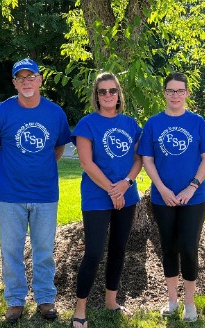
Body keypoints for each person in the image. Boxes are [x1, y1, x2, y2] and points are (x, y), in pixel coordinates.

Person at [0, 58, 71, 324]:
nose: (26, 82)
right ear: (14, 83)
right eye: (20, 78)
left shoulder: (55, 113)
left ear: (40, 79)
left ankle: (45, 298)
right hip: (10, 195)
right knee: (11, 250)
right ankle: (15, 300)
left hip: (45, 194)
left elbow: (58, 147)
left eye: (31, 76)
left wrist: (40, 168)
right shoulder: (1, 112)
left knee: (44, 249)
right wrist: (12, 171)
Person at [137, 72, 205, 322]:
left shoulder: (197, 122)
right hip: (163, 199)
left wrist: (191, 187)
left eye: (180, 91)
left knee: (189, 248)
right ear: (164, 93)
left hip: (194, 197)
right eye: (171, 91)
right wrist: (162, 188)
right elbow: (147, 159)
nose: (175, 95)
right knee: (168, 248)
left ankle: (189, 303)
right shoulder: (153, 124)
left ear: (187, 93)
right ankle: (172, 300)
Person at [70, 72, 143, 328]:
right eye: (103, 91)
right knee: (93, 252)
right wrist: (114, 190)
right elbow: (86, 163)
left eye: (113, 91)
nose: (108, 95)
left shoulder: (131, 124)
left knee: (118, 250)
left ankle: (111, 301)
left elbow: (138, 159)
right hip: (96, 197)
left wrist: (126, 184)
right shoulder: (87, 124)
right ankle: (80, 309)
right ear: (96, 96)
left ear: (119, 94)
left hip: (127, 195)